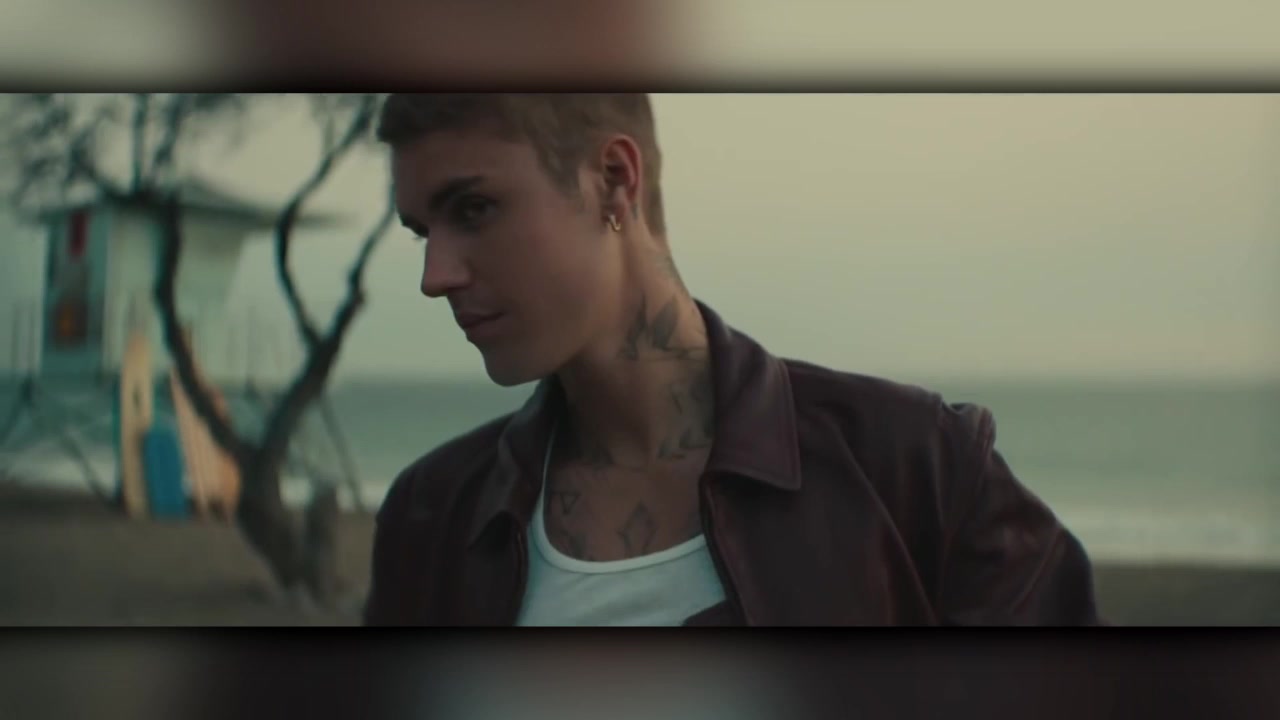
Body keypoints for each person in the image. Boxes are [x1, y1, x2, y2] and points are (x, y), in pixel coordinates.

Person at [364, 93, 1100, 626]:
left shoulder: (919, 471)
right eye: (422, 231)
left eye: (474, 210)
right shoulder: (432, 519)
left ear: (614, 180)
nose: (436, 276)